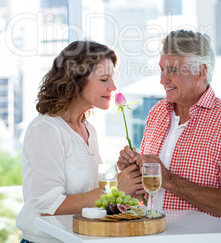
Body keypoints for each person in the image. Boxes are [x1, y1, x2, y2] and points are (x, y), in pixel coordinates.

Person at [118, 30, 221, 223]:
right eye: (161, 69)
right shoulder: (156, 113)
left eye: (173, 70)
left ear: (201, 71)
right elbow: (148, 198)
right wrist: (133, 176)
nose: (162, 79)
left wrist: (168, 179)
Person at [16, 40, 142, 243]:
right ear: (76, 80)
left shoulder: (88, 129)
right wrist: (116, 188)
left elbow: (91, 196)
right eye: (103, 79)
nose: (113, 87)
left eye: (112, 78)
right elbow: (51, 207)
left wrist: (118, 174)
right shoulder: (46, 129)